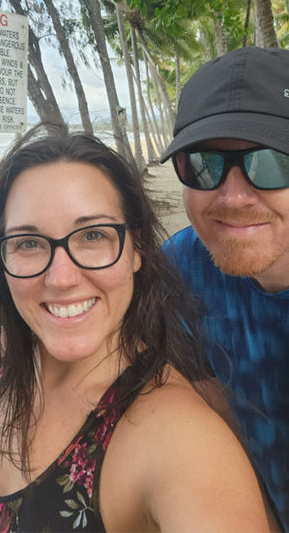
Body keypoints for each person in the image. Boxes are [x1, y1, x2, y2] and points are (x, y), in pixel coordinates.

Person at [0, 131, 269, 531]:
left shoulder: (183, 443)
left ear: (137, 249)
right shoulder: (4, 357)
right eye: (28, 242)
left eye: (93, 236)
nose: (60, 278)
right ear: (1, 260)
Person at [159, 46, 289, 529]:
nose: (233, 196)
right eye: (204, 164)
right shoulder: (183, 267)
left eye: (273, 161)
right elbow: (217, 416)